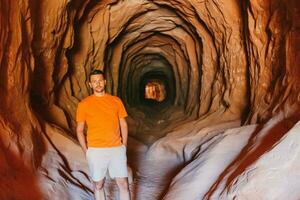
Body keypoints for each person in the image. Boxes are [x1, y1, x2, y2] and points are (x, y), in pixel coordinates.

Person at [76, 69, 130, 200]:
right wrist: (86, 151)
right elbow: (79, 130)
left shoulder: (116, 101)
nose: (98, 84)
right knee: (98, 185)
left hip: (116, 148)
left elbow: (123, 124)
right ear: (90, 84)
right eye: (94, 81)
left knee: (123, 184)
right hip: (96, 150)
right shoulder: (84, 104)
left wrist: (124, 145)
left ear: (105, 82)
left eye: (100, 80)